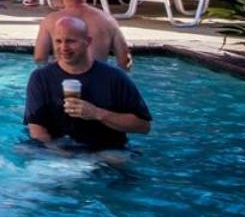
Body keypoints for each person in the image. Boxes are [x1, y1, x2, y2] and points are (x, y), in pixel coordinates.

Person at [25, 15, 151, 150]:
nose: (64, 47)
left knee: (116, 159)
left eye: (70, 41)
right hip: (58, 150)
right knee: (25, 151)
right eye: (58, 41)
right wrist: (60, 156)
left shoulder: (114, 78)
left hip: (105, 150)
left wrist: (97, 113)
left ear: (88, 41)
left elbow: (143, 126)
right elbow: (36, 128)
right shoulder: (41, 77)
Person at [34, 0, 132, 70]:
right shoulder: (108, 20)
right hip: (97, 80)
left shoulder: (50, 21)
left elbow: (40, 58)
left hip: (63, 80)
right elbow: (124, 61)